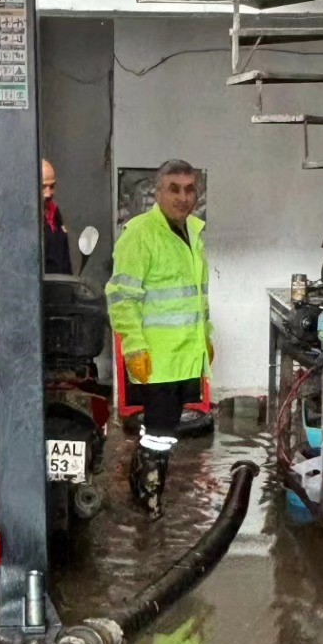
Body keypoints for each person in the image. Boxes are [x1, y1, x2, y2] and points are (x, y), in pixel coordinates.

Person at [105, 159, 213, 517]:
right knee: (160, 433)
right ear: (158, 191)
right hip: (157, 358)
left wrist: (206, 338)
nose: (183, 198)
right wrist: (133, 346)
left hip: (186, 355)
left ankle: (143, 488)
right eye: (174, 189)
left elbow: (198, 297)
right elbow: (122, 296)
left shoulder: (193, 233)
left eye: (189, 189)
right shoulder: (140, 233)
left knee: (164, 433)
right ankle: (148, 502)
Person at [42, 158, 71, 274]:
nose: (48, 193)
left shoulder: (55, 213)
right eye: (43, 187)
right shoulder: (28, 221)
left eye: (52, 186)